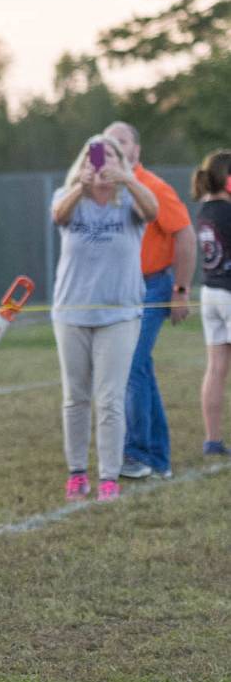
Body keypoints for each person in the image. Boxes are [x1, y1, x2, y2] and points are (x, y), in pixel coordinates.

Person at [50, 135, 159, 501]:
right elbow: (58, 217)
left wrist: (126, 179)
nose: (102, 163)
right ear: (83, 163)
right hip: (72, 313)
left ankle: (109, 476)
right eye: (95, 157)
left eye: (110, 155)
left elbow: (153, 212)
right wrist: (80, 188)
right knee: (75, 397)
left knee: (110, 398)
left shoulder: (130, 200)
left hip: (120, 314)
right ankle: (77, 472)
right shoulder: (69, 197)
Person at [105, 122, 195, 480]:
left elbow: (185, 236)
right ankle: (157, 457)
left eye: (122, 140)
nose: (115, 146)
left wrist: (181, 290)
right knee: (139, 369)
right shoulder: (104, 191)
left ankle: (138, 454)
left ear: (136, 150)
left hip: (153, 287)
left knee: (131, 367)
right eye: (109, 142)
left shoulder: (154, 187)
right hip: (121, 291)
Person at [192, 150, 231, 457]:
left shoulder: (205, 209)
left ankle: (212, 440)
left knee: (216, 368)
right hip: (228, 294)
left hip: (210, 294)